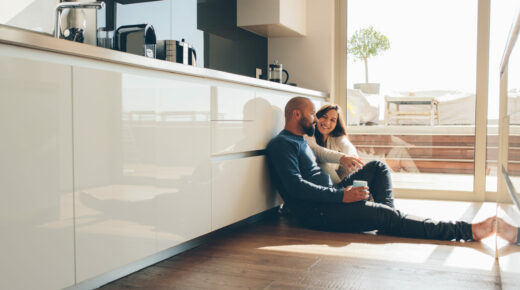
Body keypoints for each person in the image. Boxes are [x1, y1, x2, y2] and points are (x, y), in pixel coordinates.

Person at [266, 96, 498, 241]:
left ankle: (388, 220)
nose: (316, 121)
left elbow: (326, 158)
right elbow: (296, 188)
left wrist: (341, 192)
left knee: (378, 167)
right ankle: (465, 231)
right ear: (296, 114)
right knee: (386, 215)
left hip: (331, 199)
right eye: (311, 115)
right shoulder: (281, 144)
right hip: (318, 212)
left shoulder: (302, 142)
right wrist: (341, 196)